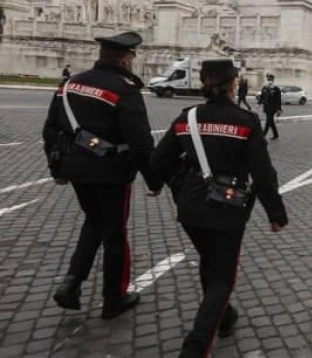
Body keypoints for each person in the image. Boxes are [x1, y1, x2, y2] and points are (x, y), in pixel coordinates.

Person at [150, 59, 288, 358]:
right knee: (222, 277)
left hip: (189, 208)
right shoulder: (244, 121)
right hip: (227, 209)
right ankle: (196, 347)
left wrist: (160, 183)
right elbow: (263, 174)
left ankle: (225, 317)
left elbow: (159, 159)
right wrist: (276, 214)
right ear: (232, 84)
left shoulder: (187, 117)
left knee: (209, 263)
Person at [42, 31, 162, 319]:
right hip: (112, 173)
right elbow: (141, 142)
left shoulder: (69, 84)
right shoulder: (124, 90)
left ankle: (71, 284)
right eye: (132, 56)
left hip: (76, 171)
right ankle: (114, 298)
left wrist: (56, 168)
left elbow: (50, 129)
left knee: (94, 223)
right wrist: (154, 179)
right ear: (125, 58)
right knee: (115, 235)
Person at [261, 74, 282, 140]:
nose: (269, 80)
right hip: (266, 107)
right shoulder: (265, 87)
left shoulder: (276, 89)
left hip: (273, 108)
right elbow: (262, 97)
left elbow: (278, 100)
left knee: (268, 120)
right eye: (268, 79)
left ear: (273, 80)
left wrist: (279, 109)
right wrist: (258, 104)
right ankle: (276, 135)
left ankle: (263, 135)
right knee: (271, 121)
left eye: (270, 79)